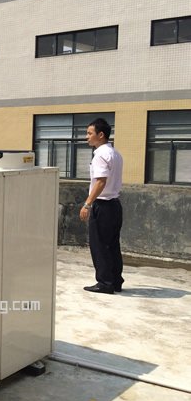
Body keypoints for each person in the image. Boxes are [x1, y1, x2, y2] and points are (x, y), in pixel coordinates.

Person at [79, 118, 124, 294]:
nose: (87, 137)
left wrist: (87, 204)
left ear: (101, 135)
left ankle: (105, 283)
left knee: (99, 245)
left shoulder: (100, 155)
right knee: (112, 245)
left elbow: (100, 182)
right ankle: (115, 281)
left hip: (103, 205)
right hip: (115, 205)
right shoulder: (115, 153)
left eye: (89, 133)